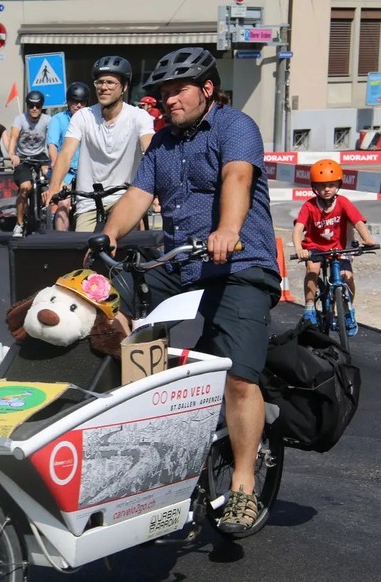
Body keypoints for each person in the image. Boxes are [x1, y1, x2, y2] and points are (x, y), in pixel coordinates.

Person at [98, 47, 281, 534]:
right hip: (183, 266)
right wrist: (109, 234)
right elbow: (138, 196)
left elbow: (237, 176)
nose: (168, 99)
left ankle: (243, 485)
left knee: (237, 376)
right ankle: (135, 411)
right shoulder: (160, 143)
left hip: (238, 263)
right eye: (162, 93)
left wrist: (228, 229)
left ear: (206, 90)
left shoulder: (234, 126)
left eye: (178, 90)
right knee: (102, 297)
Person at [46, 56, 154, 233]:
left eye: (111, 83)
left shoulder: (139, 116)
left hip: (125, 197)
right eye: (100, 82)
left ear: (124, 87)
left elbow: (150, 150)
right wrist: (54, 186)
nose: (104, 87)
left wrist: (154, 187)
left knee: (133, 242)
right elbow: (66, 153)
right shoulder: (83, 116)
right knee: (83, 251)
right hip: (89, 200)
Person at [292, 159, 376, 334]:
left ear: (338, 184)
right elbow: (298, 228)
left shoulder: (343, 202)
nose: (327, 189)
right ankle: (309, 308)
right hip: (315, 246)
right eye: (322, 186)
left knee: (347, 276)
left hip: (339, 247)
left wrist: (368, 239)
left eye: (331, 185)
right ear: (314, 187)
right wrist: (299, 249)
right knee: (312, 269)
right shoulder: (309, 205)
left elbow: (358, 221)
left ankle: (348, 310)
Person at [46, 82, 90, 231]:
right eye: (74, 101)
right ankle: (62, 242)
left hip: (87, 172)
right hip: (66, 172)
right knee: (63, 204)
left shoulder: (91, 119)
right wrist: (54, 161)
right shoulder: (57, 119)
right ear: (68, 102)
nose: (78, 105)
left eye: (82, 102)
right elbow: (52, 144)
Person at [7, 90, 51, 238]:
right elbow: (13, 137)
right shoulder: (20, 119)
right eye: (31, 105)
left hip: (40, 156)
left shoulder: (47, 120)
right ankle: (19, 224)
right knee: (25, 188)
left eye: (37, 106)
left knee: (48, 174)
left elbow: (52, 141)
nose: (34, 109)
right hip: (23, 157)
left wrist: (54, 159)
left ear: (41, 107)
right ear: (27, 106)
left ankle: (48, 213)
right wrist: (12, 155)